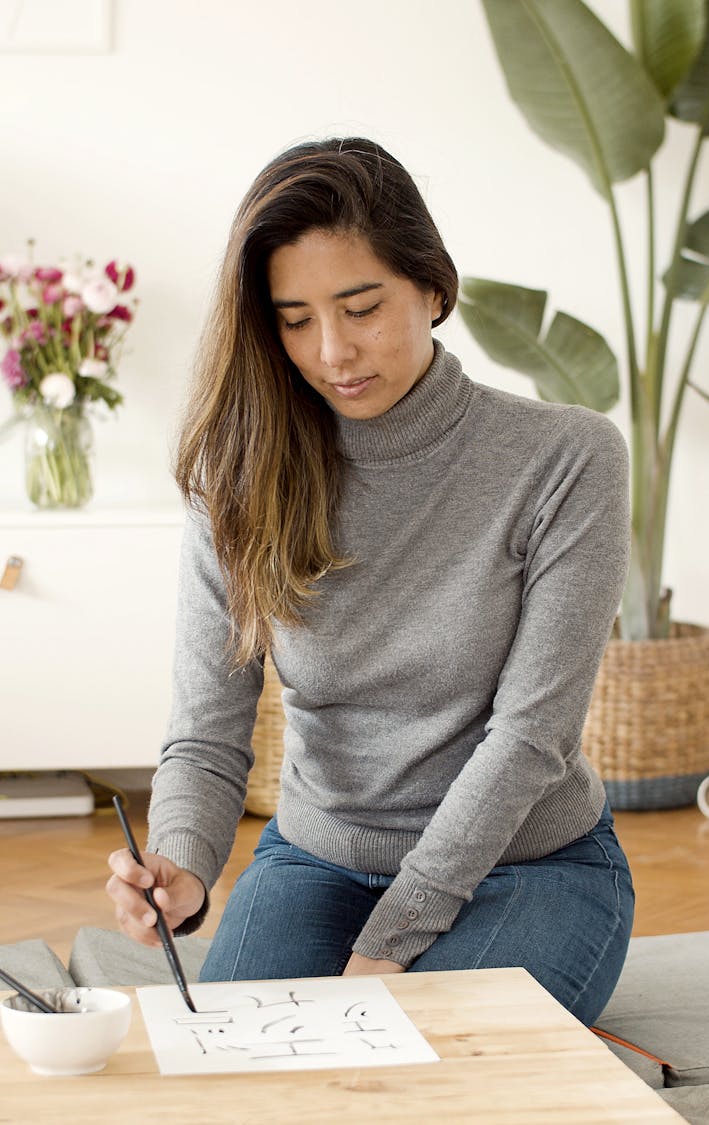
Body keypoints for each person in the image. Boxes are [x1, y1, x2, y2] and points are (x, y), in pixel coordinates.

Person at [107, 136, 634, 1026]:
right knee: (238, 1081)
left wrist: (391, 944)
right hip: (316, 856)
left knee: (420, 1074)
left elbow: (530, 737)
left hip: (531, 860)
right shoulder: (234, 475)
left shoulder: (565, 457)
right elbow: (206, 731)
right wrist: (181, 863)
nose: (333, 351)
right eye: (295, 318)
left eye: (361, 307)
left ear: (432, 286)